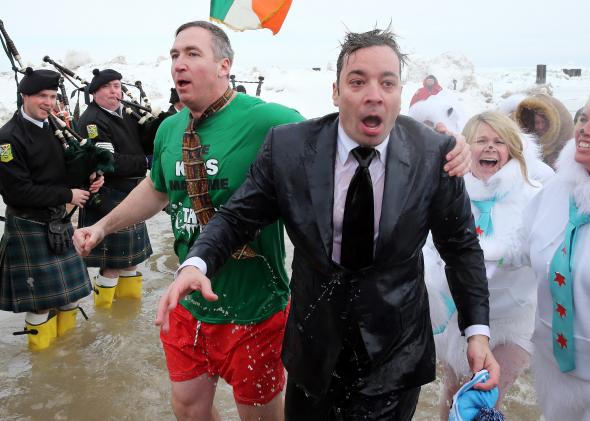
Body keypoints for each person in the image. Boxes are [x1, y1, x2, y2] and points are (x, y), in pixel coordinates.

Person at [155, 28, 498, 421]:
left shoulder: (435, 154)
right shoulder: (289, 148)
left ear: (400, 93)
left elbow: (460, 248)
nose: (374, 94)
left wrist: (477, 332)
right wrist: (196, 264)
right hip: (313, 346)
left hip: (395, 349)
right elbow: (237, 217)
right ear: (335, 92)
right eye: (357, 81)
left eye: (387, 82)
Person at [74, 21, 305, 420]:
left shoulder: (269, 120)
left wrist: (447, 144)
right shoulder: (169, 129)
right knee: (188, 408)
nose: (179, 64)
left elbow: (337, 144)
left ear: (224, 66)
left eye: (193, 54)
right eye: (175, 55)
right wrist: (102, 226)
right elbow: (158, 189)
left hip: (255, 306)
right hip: (187, 303)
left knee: (260, 415)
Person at [434, 111, 551, 418]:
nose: (489, 148)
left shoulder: (533, 196)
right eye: (481, 140)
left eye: (499, 141)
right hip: (462, 316)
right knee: (451, 392)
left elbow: (548, 251)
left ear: (511, 150)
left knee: (484, 399)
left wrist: (499, 251)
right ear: (465, 147)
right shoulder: (451, 192)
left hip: (513, 319)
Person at [0, 68, 103, 350]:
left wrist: (89, 179)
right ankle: (42, 362)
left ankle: (65, 355)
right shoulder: (8, 138)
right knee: (41, 304)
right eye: (42, 96)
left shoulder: (55, 129)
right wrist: (68, 193)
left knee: (69, 298)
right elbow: (15, 191)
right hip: (29, 224)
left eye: (53, 96)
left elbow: (63, 172)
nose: (49, 102)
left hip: (57, 220)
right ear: (24, 96)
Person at [523, 97, 590, 420]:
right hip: (554, 365)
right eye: (583, 119)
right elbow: (520, 246)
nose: (585, 131)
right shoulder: (554, 192)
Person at [76, 68, 154, 308]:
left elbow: (146, 143)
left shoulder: (128, 114)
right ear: (95, 92)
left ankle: (126, 314)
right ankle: (104, 312)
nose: (115, 91)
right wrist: (145, 161)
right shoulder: (91, 120)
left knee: (130, 262)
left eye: (118, 85)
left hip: (132, 192)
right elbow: (108, 162)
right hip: (109, 194)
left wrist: (154, 125)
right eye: (108, 86)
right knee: (112, 265)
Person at [515, 93, 574, 169]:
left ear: (552, 123)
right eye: (537, 122)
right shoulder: (527, 141)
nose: (540, 127)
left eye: (544, 122)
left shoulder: (565, 145)